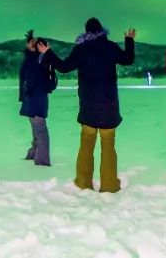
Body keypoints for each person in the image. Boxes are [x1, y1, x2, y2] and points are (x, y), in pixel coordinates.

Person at [38, 17, 135, 193]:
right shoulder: (110, 47)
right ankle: (110, 184)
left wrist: (48, 52)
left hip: (89, 105)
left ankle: (83, 182)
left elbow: (64, 67)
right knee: (108, 146)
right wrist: (129, 40)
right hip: (109, 105)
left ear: (87, 32)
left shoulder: (81, 49)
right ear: (101, 31)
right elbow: (128, 59)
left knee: (86, 145)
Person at [19, 30, 55, 166]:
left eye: (30, 41)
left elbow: (32, 79)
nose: (27, 43)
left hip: (35, 98)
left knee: (39, 127)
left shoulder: (35, 59)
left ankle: (42, 159)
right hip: (34, 98)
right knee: (36, 127)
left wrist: (27, 91)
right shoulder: (34, 58)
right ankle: (34, 152)